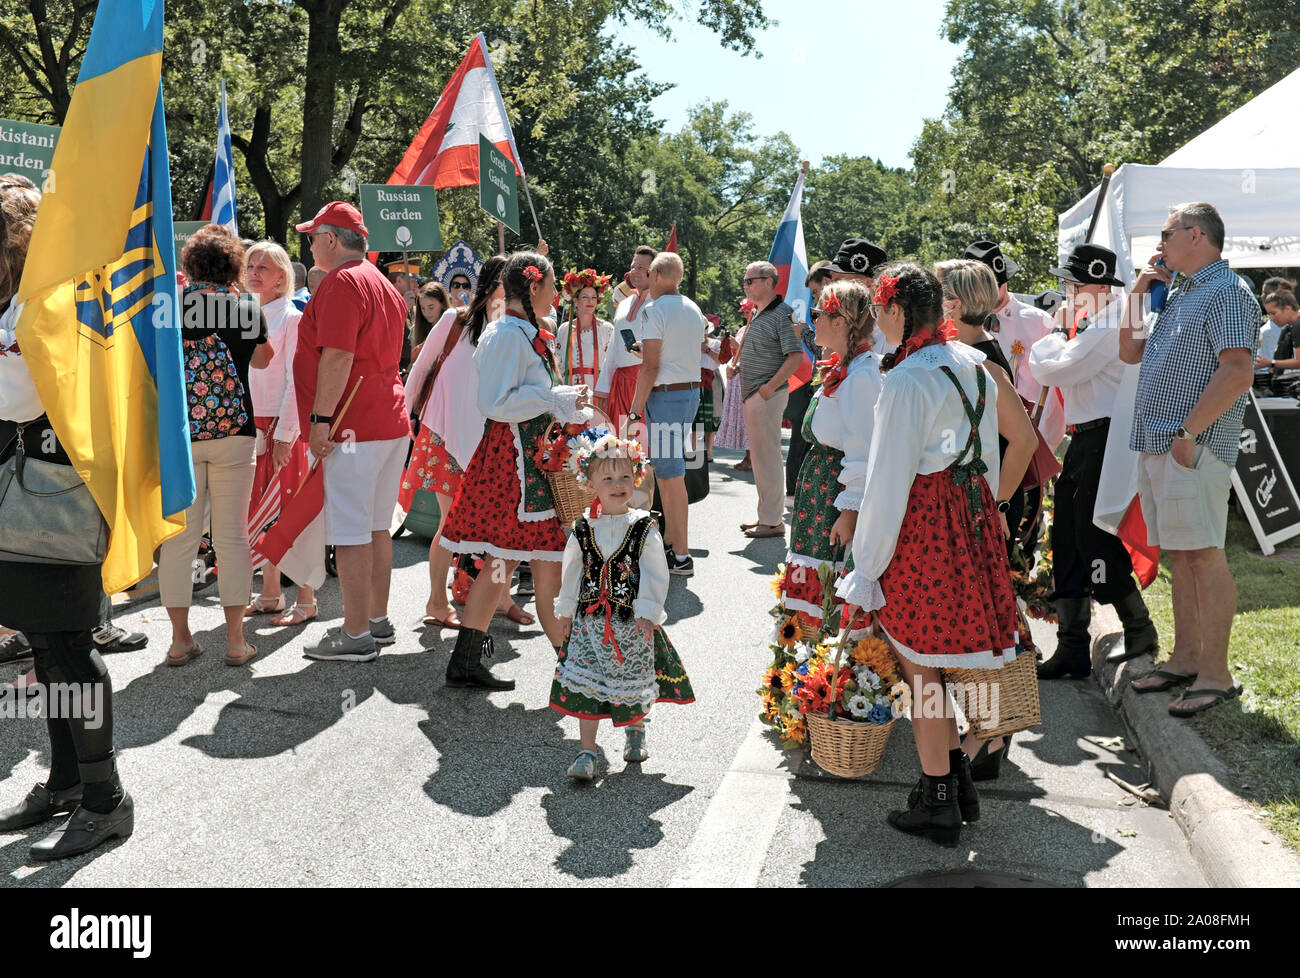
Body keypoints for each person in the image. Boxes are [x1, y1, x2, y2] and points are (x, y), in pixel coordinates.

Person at [841, 263, 1020, 847]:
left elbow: (889, 481)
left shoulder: (908, 379)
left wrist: (866, 567)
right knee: (945, 662)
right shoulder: (974, 365)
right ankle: (956, 778)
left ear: (894, 312)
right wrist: (986, 517)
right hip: (970, 516)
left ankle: (938, 795)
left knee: (920, 668)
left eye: (880, 309)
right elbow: (987, 455)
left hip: (925, 524)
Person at [0, 174, 134, 860]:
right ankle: (63, 783)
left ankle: (106, 799)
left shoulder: (43, 306)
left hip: (58, 495)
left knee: (71, 651)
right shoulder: (24, 305)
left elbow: (19, 400)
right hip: (30, 496)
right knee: (49, 651)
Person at [1121, 203, 1259, 716]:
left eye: (1166, 233)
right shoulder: (1178, 289)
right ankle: (1185, 659)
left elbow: (1239, 371)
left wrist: (1187, 433)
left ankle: (1216, 675)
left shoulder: (1228, 291)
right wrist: (1138, 293)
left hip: (1190, 447)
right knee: (1183, 556)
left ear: (1196, 235)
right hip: (1165, 445)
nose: (1159, 243)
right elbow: (1129, 352)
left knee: (1202, 554)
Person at [438, 252, 591, 689]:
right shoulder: (508, 334)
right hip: (514, 464)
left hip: (528, 460)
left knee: (515, 562)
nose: (558, 292)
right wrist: (551, 398)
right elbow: (494, 402)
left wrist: (556, 401)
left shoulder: (522, 332)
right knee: (527, 561)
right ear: (534, 286)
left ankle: (475, 661)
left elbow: (519, 396)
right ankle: (578, 668)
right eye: (553, 283)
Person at [1029, 243, 1160, 681]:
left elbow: (1051, 371)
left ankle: (1139, 627)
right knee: (1066, 536)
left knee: (1094, 536)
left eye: (1073, 283)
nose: (1066, 291)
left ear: (1100, 286)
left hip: (1105, 437)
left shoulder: (1109, 325)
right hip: (1083, 439)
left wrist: (1052, 334)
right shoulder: (1091, 323)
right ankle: (1071, 646)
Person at [294, 202, 412, 661]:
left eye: (312, 237)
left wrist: (321, 420)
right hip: (386, 418)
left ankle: (357, 634)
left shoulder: (344, 282)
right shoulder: (380, 280)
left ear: (330, 239)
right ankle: (376, 622)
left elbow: (338, 356)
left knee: (350, 532)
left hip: (353, 424)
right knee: (377, 527)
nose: (309, 245)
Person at [157, 225, 272, 668]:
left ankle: (180, 639)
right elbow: (265, 360)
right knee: (231, 537)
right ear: (233, 265)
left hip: (182, 438)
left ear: (190, 264)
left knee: (180, 539)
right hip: (234, 433)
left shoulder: (171, 306)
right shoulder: (245, 306)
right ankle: (236, 641)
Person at [549, 433, 694, 780]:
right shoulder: (583, 528)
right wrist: (566, 611)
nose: (618, 485)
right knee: (587, 685)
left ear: (637, 478)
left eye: (625, 476)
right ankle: (586, 752)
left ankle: (635, 730)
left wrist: (648, 611)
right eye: (608, 478)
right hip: (589, 624)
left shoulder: (644, 527)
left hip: (630, 624)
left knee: (630, 679)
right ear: (590, 483)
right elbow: (571, 573)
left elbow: (656, 572)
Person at [401, 255, 534, 628]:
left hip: (493, 442)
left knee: (498, 528)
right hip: (444, 436)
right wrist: (403, 419)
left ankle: (499, 597)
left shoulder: (515, 328)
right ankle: (436, 602)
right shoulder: (453, 320)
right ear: (495, 286)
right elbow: (421, 369)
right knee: (450, 525)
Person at [776, 281, 881, 634]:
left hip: (835, 496)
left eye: (819, 313)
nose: (813, 320)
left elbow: (862, 452)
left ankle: (832, 667)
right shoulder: (847, 369)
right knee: (817, 581)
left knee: (832, 583)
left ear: (841, 322)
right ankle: (812, 657)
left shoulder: (864, 375)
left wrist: (849, 514)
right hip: (822, 492)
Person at [241, 240, 317, 627]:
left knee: (289, 512)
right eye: (251, 265)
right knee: (259, 511)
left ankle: (306, 598)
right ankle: (270, 592)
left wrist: (286, 434)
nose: (254, 271)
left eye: (264, 267)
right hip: (250, 424)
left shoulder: (291, 318)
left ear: (282, 277)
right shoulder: (242, 314)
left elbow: (295, 381)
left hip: (279, 427)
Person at [629, 252, 706, 575]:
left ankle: (681, 554)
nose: (646, 279)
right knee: (670, 472)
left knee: (670, 474)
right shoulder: (692, 307)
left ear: (658, 275)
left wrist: (634, 410)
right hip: (688, 391)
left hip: (667, 396)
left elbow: (650, 366)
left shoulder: (655, 309)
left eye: (648, 273)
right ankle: (675, 544)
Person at [964, 239, 1067, 452]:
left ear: (1005, 281)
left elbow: (1053, 389)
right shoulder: (957, 325)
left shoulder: (1037, 322)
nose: (987, 294)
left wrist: (1042, 440)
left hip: (1024, 437)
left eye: (993, 286)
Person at [737, 260, 804, 538]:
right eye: (745, 281)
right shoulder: (759, 312)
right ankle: (767, 517)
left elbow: (796, 356)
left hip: (766, 395)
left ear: (768, 281)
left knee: (767, 459)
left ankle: (772, 521)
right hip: (757, 394)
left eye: (750, 280)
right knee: (762, 459)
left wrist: (769, 387)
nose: (746, 285)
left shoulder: (783, 314)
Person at [782, 262, 834, 506]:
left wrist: (805, 333)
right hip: (818, 385)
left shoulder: (838, 311)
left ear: (827, 281)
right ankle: (795, 491)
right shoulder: (823, 311)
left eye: (815, 291)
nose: (815, 297)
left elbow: (825, 349)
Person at [594, 245, 655, 432]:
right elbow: (613, 348)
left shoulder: (660, 303)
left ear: (654, 272)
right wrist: (603, 388)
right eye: (632, 266)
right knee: (621, 444)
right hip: (621, 383)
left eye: (640, 268)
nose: (633, 272)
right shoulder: (623, 304)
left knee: (645, 443)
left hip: (648, 383)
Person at [555, 269, 614, 387]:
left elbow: (612, 363)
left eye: (593, 297)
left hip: (598, 387)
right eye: (585, 297)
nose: (590, 301)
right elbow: (558, 362)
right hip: (570, 388)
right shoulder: (565, 329)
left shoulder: (606, 328)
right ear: (575, 301)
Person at [411, 280, 451, 355]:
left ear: (442, 304)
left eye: (431, 307)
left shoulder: (453, 327)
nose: (427, 312)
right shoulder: (415, 329)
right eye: (422, 308)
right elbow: (412, 361)